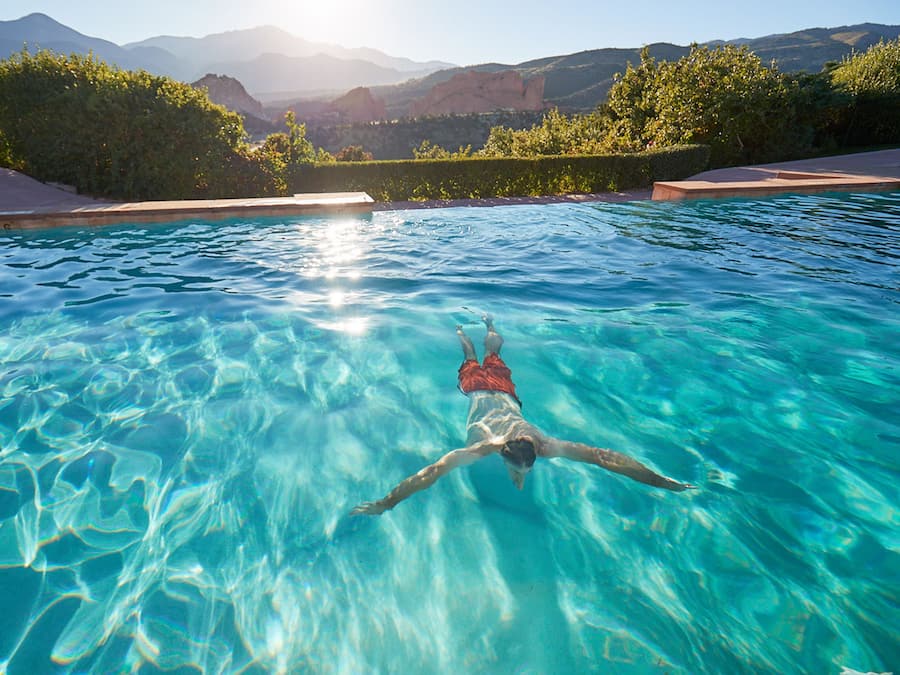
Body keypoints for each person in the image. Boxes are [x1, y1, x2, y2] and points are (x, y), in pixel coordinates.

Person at [351, 316, 695, 516]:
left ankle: (474, 327)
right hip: (485, 387)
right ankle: (481, 325)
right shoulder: (504, 445)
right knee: (482, 352)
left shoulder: (513, 445)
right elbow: (433, 473)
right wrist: (388, 502)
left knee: (483, 352)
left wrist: (659, 481)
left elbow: (433, 472)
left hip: (487, 389)